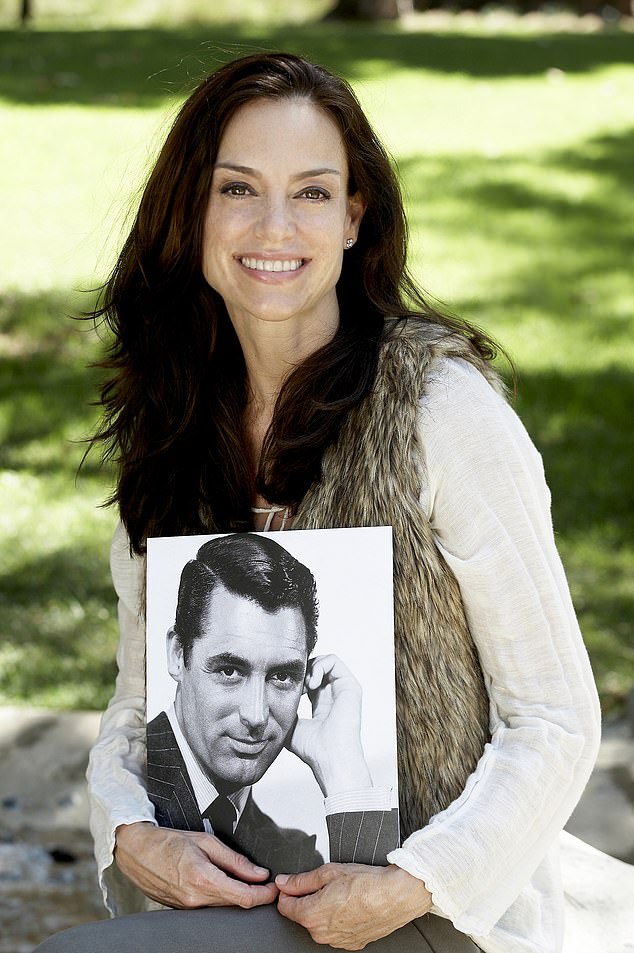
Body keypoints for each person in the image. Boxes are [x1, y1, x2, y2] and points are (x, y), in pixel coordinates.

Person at [34, 51, 600, 953]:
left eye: (311, 193)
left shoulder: (440, 411)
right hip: (233, 898)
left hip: (436, 912)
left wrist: (416, 880)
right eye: (237, 188)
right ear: (193, 211)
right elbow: (138, 703)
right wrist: (131, 833)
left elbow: (558, 720)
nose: (273, 226)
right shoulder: (177, 427)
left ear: (353, 218)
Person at [147, 532, 398, 874]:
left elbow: (374, 918)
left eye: (282, 677)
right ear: (178, 654)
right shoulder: (128, 792)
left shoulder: (292, 856)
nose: (256, 715)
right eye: (229, 670)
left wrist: (344, 771)